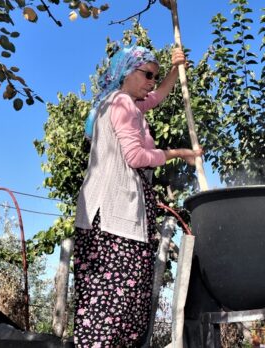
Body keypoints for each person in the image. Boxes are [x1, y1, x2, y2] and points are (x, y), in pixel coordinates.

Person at [73, 44, 202, 347]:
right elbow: (136, 157)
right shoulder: (122, 104)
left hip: (102, 219)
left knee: (104, 304)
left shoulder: (117, 103)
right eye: (146, 75)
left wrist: (175, 69)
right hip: (114, 222)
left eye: (154, 77)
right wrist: (179, 153)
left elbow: (155, 99)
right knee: (114, 307)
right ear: (126, 72)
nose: (150, 83)